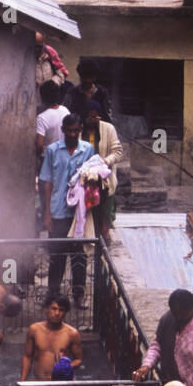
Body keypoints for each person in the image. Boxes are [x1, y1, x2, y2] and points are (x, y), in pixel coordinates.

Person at [39, 114, 95, 305]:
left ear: (80, 130)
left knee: (79, 255)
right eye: (68, 130)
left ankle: (78, 295)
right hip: (57, 211)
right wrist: (46, 213)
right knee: (56, 255)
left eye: (75, 130)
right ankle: (52, 295)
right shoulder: (53, 151)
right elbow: (46, 182)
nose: (72, 134)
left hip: (79, 213)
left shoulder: (88, 150)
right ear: (63, 130)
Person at [133, 289, 193, 386]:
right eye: (175, 314)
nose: (178, 318)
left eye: (182, 315)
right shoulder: (168, 319)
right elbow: (157, 345)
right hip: (169, 383)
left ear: (192, 309)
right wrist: (146, 365)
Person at [76, 100, 123, 239]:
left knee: (104, 207)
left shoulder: (108, 129)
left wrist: (105, 161)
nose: (92, 121)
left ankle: (103, 233)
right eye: (89, 117)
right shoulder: (78, 130)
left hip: (104, 177)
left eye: (95, 118)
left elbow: (117, 151)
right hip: (83, 176)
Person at [22, 294, 83, 381]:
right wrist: (22, 383)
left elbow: (78, 360)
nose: (57, 313)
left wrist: (64, 367)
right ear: (46, 309)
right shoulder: (34, 330)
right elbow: (27, 357)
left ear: (66, 312)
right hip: (39, 384)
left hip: (61, 385)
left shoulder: (72, 333)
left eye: (61, 310)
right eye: (53, 308)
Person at [36, 80, 70, 156]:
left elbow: (39, 145)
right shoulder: (65, 110)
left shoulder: (41, 118)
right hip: (65, 156)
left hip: (49, 158)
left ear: (42, 97)